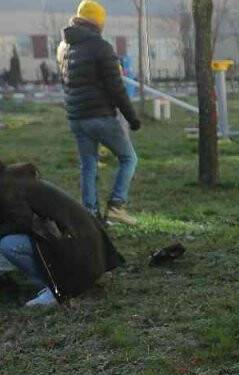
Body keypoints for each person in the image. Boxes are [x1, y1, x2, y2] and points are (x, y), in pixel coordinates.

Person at [0, 154, 123, 307]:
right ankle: (57, 284)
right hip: (87, 244)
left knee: (10, 244)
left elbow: (22, 224)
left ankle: (56, 289)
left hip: (78, 247)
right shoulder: (16, 184)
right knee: (8, 239)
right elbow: (12, 226)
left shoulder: (13, 191)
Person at [57, 0, 141, 225]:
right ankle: (116, 205)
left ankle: (90, 215)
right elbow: (116, 87)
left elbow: (65, 83)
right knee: (128, 158)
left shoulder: (63, 47)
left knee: (88, 164)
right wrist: (132, 118)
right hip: (100, 116)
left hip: (77, 118)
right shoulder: (101, 46)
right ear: (98, 22)